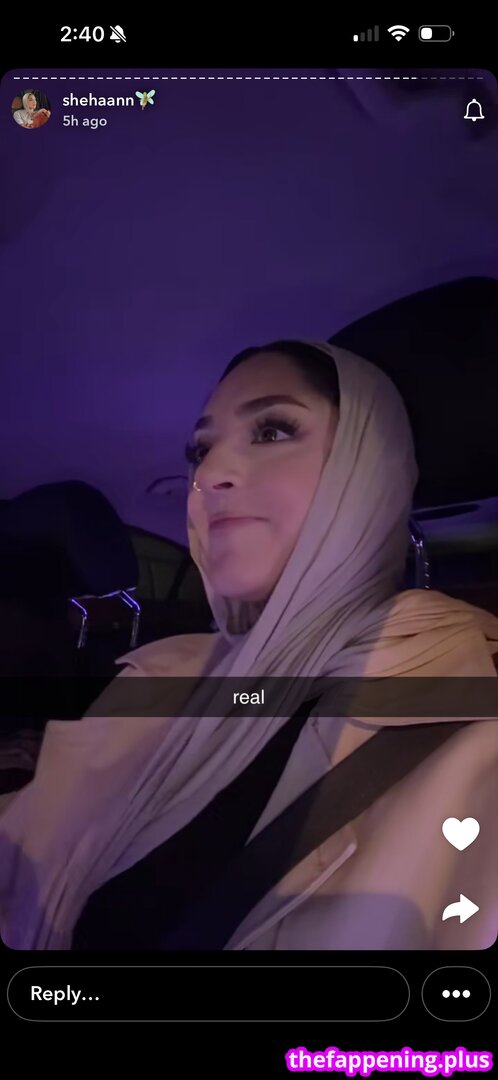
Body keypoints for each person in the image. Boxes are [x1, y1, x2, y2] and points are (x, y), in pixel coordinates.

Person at [0, 341, 497, 951]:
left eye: (272, 430)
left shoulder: (471, 711)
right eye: (200, 450)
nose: (208, 473)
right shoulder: (165, 675)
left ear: (366, 468)